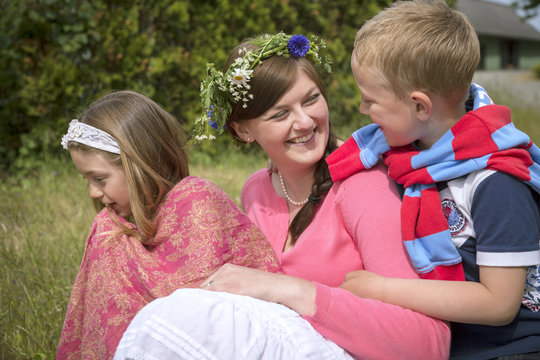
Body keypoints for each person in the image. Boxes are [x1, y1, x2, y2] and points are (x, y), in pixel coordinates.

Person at [114, 33, 450, 360]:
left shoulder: (363, 186)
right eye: (280, 114)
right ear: (243, 130)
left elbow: (429, 345)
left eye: (311, 99)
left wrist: (296, 291)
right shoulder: (257, 191)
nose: (305, 122)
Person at [324, 1, 540, 359]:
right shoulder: (414, 154)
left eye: (370, 100)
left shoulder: (496, 181)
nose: (363, 111)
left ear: (420, 106)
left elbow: (499, 304)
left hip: (510, 350)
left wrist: (382, 289)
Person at [56, 90, 279, 360]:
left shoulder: (196, 200)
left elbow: (203, 305)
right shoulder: (111, 229)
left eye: (99, 179)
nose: (93, 192)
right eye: (87, 180)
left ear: (139, 165)